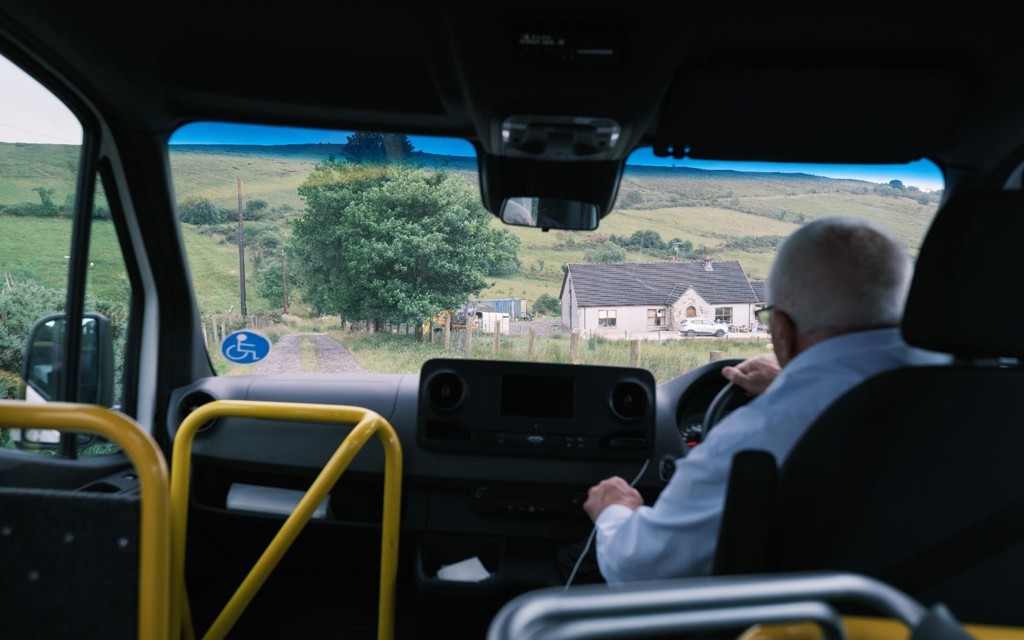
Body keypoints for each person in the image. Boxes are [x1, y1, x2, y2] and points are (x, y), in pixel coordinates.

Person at [582, 216, 951, 585]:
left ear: (781, 331)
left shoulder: (755, 437)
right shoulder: (985, 403)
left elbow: (639, 569)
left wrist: (615, 510)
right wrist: (785, 384)